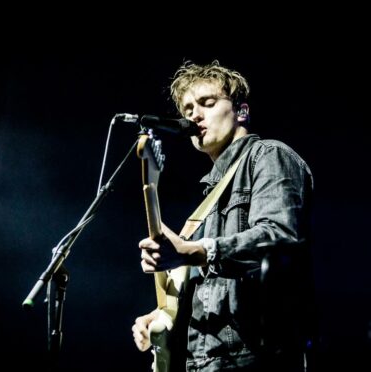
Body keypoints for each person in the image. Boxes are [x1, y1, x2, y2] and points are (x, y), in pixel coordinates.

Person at [132, 60, 314, 371]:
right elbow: (212, 285)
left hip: (255, 358)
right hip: (205, 362)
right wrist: (164, 317)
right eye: (188, 108)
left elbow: (279, 237)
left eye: (207, 103)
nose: (194, 115)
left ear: (241, 112)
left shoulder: (269, 156)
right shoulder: (209, 198)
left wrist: (193, 251)